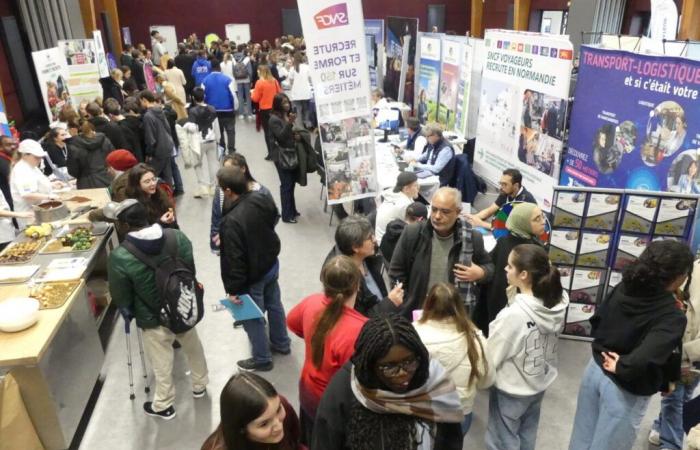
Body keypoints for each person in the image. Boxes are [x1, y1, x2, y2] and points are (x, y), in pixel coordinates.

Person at [569, 240, 694, 450]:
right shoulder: (670, 314)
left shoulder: (625, 286)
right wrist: (624, 366)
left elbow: (597, 320)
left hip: (595, 369)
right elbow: (648, 356)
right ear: (679, 276)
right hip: (625, 387)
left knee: (581, 440)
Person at [107, 200, 208, 420]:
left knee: (161, 360)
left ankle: (164, 404)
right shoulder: (176, 237)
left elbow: (121, 295)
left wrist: (128, 309)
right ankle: (200, 385)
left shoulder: (121, 256)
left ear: (123, 225)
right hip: (183, 305)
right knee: (192, 345)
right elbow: (189, 268)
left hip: (152, 316)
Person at [312, 314, 464, 450]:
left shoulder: (436, 385)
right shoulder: (343, 393)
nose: (402, 373)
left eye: (409, 361)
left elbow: (451, 439)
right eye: (389, 367)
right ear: (370, 366)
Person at [486, 244, 568, 450]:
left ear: (523, 274)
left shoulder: (513, 316)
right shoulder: (557, 301)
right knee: (527, 435)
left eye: (509, 266)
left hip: (511, 389)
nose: (505, 269)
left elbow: (491, 356)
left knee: (501, 440)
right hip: (538, 383)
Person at [287, 255, 367, 444]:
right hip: (334, 404)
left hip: (307, 392)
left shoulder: (311, 302)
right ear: (357, 286)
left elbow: (291, 321)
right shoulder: (361, 329)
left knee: (308, 438)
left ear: (324, 283)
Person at [218, 167, 290, 372]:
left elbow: (234, 259)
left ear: (229, 191)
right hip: (270, 265)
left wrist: (234, 290)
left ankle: (262, 358)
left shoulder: (231, 222)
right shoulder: (261, 198)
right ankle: (281, 343)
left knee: (252, 317)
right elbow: (273, 217)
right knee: (274, 304)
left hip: (252, 276)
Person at [390, 187, 494, 318]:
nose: (437, 216)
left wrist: (481, 273)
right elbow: (396, 271)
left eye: (445, 212)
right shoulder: (413, 233)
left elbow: (490, 268)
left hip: (454, 314)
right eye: (434, 209)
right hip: (417, 311)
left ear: (458, 212)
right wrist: (406, 302)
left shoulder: (472, 238)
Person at [414, 282, 494, 437]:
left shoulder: (413, 334)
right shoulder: (476, 338)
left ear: (427, 302)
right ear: (459, 306)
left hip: (423, 410)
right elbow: (487, 381)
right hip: (460, 412)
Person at [648, 259, 700, 450]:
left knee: (679, 395)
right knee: (676, 395)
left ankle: (666, 435)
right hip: (685, 346)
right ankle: (666, 435)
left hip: (692, 351)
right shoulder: (694, 267)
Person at [475, 202, 546, 333]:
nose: (543, 222)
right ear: (522, 222)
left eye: (542, 217)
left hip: (495, 314)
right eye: (537, 219)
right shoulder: (534, 251)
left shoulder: (503, 241)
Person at [325, 215, 404, 317]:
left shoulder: (367, 258)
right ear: (355, 247)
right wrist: (389, 303)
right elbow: (358, 319)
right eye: (370, 238)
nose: (375, 240)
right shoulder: (342, 279)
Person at [200, 372, 303, 450]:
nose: (279, 426)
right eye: (264, 424)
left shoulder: (280, 406)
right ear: (241, 429)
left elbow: (297, 443)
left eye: (278, 410)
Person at [210, 154, 271, 253]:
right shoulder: (221, 192)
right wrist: (216, 247)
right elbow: (216, 219)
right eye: (225, 170)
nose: (227, 174)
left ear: (243, 169)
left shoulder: (261, 192)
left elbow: (272, 217)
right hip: (233, 247)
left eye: (231, 169)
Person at [10, 140, 61, 228]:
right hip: (29, 214)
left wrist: (52, 184)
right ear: (25, 155)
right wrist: (49, 197)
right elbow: (27, 194)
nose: (40, 159)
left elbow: (38, 183)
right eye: (36, 157)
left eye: (40, 157)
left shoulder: (32, 166)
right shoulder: (21, 170)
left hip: (41, 210)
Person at [180, 87, 220, 198]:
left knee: (197, 164)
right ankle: (213, 186)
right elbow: (216, 125)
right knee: (213, 163)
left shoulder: (192, 111)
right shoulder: (212, 109)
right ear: (204, 96)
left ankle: (202, 187)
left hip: (198, 142)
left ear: (193, 97)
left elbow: (192, 128)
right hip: (211, 140)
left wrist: (186, 126)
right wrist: (218, 138)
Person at [467, 168, 537, 230]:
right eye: (501, 183)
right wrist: (473, 218)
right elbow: (489, 210)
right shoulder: (506, 192)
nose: (501, 187)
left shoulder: (525, 201)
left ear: (516, 185)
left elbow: (509, 229)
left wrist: (481, 223)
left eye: (505, 184)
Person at [268, 93, 299, 222]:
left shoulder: (286, 115)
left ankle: (292, 209)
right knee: (286, 184)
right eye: (284, 103)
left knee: (291, 184)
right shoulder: (274, 119)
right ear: (278, 105)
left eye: (288, 102)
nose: (287, 105)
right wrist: (290, 123)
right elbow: (281, 137)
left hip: (290, 153)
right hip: (281, 156)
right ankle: (286, 215)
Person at [125, 163, 177, 229]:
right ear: (137, 185)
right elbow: (143, 232)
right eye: (147, 181)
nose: (153, 183)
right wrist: (161, 223)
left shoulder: (160, 195)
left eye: (153, 179)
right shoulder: (135, 207)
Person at [139, 90, 175, 185]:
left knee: (152, 176)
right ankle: (169, 195)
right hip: (167, 145)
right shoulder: (160, 111)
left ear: (144, 100)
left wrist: (149, 154)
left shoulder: (147, 116)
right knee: (168, 176)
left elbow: (150, 138)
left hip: (158, 150)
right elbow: (168, 128)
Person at [203, 59, 238, 155]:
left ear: (210, 68)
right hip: (228, 110)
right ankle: (231, 151)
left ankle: (222, 150)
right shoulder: (228, 79)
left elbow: (203, 97)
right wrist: (235, 108)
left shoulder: (205, 80)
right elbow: (233, 95)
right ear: (219, 67)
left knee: (219, 132)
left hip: (213, 111)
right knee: (230, 131)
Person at [67, 121, 114, 189]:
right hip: (108, 177)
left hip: (86, 182)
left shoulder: (74, 146)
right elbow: (113, 157)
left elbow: (73, 170)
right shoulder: (104, 140)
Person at [375, 172, 420, 243]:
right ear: (406, 189)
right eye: (416, 185)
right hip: (387, 243)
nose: (418, 187)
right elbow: (412, 227)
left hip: (383, 238)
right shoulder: (404, 204)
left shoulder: (394, 192)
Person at [407, 123, 455, 187]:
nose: (426, 138)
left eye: (428, 136)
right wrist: (415, 159)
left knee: (411, 184)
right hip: (428, 172)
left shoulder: (446, 149)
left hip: (438, 179)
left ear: (436, 135)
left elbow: (436, 169)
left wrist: (417, 165)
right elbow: (426, 154)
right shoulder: (433, 142)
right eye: (426, 136)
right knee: (407, 176)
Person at [251, 65, 281, 160]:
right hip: (276, 109)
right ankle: (280, 151)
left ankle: (271, 153)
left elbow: (255, 98)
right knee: (277, 131)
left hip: (265, 110)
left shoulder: (259, 83)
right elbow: (279, 92)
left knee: (268, 132)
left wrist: (252, 94)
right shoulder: (274, 81)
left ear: (260, 72)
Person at [287, 52, 312, 129]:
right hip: (306, 91)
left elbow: (291, 81)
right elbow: (310, 79)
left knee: (298, 109)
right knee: (306, 108)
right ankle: (307, 122)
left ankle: (300, 126)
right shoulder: (307, 67)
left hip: (297, 92)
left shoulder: (292, 68)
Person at [120, 97, 145, 161]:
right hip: (147, 152)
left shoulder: (125, 124)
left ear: (130, 111)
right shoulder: (143, 119)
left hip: (137, 155)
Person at [233, 44, 254, 120]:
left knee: (240, 97)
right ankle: (249, 113)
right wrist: (251, 80)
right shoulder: (247, 59)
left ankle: (241, 113)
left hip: (238, 80)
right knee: (248, 97)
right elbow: (250, 71)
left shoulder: (234, 58)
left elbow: (233, 70)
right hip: (246, 79)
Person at [0, 135, 16, 220]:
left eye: (13, 144)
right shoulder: (1, 159)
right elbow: (12, 178)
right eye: (8, 145)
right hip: (7, 198)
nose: (13, 147)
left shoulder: (8, 157)